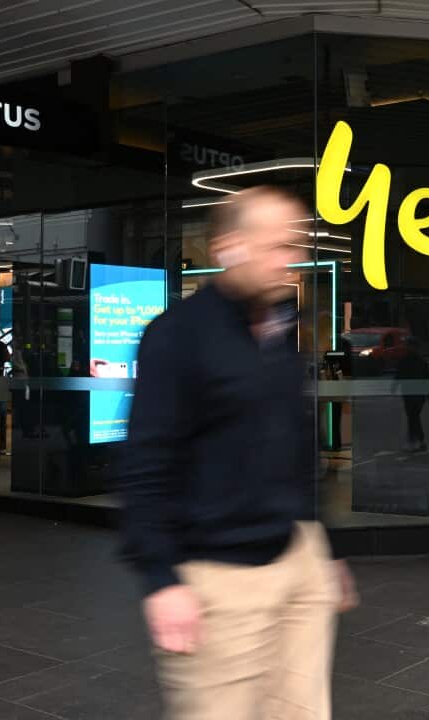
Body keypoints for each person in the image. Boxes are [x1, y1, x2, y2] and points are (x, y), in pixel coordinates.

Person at [116, 186, 358, 720]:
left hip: (298, 560)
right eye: (275, 246)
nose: (289, 260)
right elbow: (146, 465)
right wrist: (161, 580)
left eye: (293, 246)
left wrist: (325, 547)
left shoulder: (279, 327)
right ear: (228, 247)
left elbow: (296, 442)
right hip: (219, 580)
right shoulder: (177, 336)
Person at [393, 336, 429, 452]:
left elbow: (427, 379)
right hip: (412, 393)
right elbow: (399, 374)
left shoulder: (410, 360)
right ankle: (416, 440)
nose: (408, 348)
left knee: (413, 416)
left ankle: (417, 440)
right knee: (413, 417)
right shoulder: (418, 361)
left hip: (414, 393)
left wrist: (394, 386)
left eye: (409, 345)